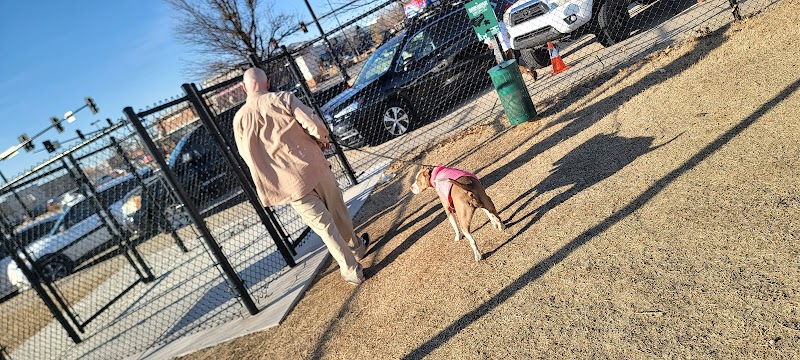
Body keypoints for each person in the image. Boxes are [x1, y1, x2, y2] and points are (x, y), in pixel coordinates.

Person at [233, 68, 369, 286]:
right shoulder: (283, 98)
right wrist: (322, 138)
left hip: (289, 184)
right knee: (338, 211)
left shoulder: (239, 119)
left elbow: (247, 156)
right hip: (313, 166)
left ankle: (352, 270)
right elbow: (313, 124)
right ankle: (357, 247)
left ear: (244, 88)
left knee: (324, 228)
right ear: (267, 83)